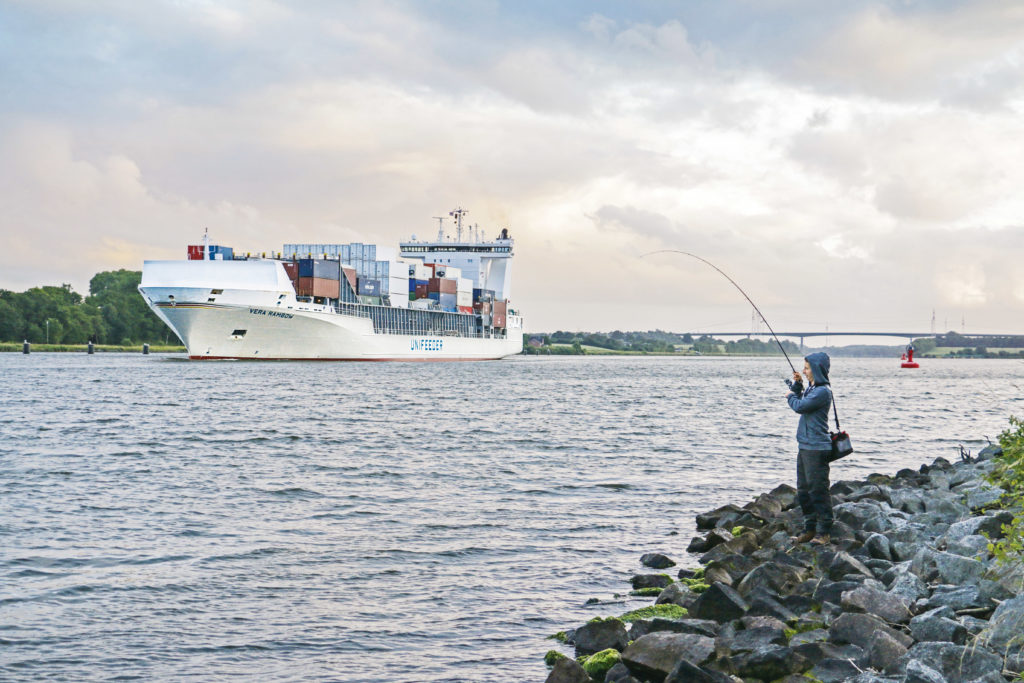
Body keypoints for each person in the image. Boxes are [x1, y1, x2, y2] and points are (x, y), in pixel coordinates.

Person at [786, 352, 834, 545]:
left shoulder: (823, 392)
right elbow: (802, 398)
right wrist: (797, 386)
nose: (804, 371)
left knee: (818, 490)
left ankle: (824, 532)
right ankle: (809, 529)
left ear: (817, 369)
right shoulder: (813, 389)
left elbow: (800, 406)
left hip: (817, 448)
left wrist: (790, 395)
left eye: (807, 368)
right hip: (805, 446)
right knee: (804, 490)